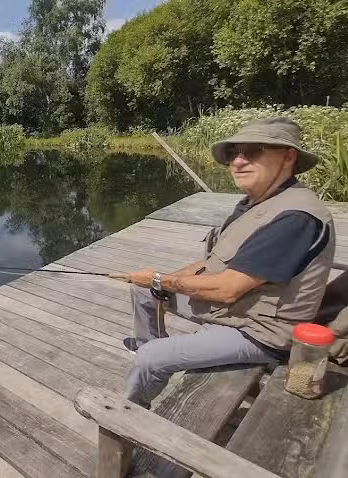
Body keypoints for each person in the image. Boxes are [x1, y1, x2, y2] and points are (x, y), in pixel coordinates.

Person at [116, 117, 335, 408]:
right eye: (233, 153)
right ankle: (151, 346)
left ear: (288, 156)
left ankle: (129, 413)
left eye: (253, 151)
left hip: (258, 332)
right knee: (144, 291)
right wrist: (159, 281)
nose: (238, 162)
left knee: (150, 358)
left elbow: (228, 290)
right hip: (238, 309)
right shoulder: (258, 202)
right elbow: (212, 262)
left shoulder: (295, 217)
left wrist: (159, 279)